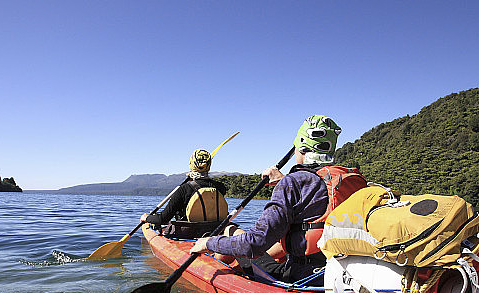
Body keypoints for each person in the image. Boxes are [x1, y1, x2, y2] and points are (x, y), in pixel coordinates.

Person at [190, 115, 365, 283]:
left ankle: (215, 264)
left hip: (301, 276)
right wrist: (283, 180)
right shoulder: (345, 179)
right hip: (340, 270)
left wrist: (208, 242)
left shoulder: (292, 183)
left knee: (231, 230)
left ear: (300, 148)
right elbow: (319, 197)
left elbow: (253, 244)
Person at [141, 148, 229, 238]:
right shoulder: (220, 187)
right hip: (215, 231)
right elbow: (205, 184)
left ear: (192, 164)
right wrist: (195, 178)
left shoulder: (184, 190)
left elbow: (163, 219)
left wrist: (146, 218)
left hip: (187, 234)